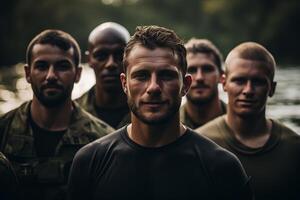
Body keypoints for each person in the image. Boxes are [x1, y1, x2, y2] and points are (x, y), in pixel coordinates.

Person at [68, 25, 253, 200]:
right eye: (141, 76)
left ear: (185, 85)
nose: (154, 87)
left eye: (166, 75)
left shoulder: (222, 167)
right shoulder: (90, 162)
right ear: (124, 84)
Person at [0, 29, 114, 200]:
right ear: (27, 74)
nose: (51, 76)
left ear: (78, 74)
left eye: (62, 66)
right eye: (41, 66)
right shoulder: (3, 132)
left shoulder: (105, 143)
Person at [196, 42, 300, 200]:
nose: (248, 91)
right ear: (224, 83)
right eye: (239, 81)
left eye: (258, 82)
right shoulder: (198, 144)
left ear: (271, 88)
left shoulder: (294, 148)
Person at [76, 22, 131, 129]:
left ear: (131, 58)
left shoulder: (147, 111)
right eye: (101, 56)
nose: (111, 64)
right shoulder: (71, 113)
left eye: (119, 55)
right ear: (89, 60)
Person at [180, 38, 226, 129]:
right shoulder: (168, 125)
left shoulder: (243, 122)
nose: (199, 77)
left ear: (221, 75)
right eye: (191, 70)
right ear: (180, 77)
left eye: (207, 69)